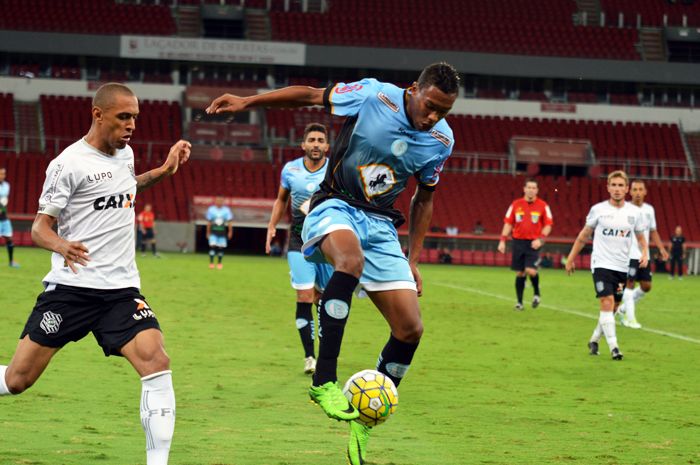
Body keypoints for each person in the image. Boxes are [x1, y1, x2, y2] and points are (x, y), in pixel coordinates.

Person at [207, 61, 459, 465]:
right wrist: (248, 101)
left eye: (442, 112)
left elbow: (424, 197)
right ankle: (324, 380)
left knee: (411, 328)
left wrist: (412, 258)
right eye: (429, 106)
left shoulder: (441, 141)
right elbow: (309, 95)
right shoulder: (374, 95)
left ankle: (365, 421)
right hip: (335, 205)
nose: (433, 117)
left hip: (381, 224)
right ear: (414, 89)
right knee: (349, 261)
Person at [0, 83, 191, 465]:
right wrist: (60, 245)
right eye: (124, 117)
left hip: (120, 291)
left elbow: (126, 187)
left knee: (157, 361)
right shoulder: (67, 163)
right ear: (98, 114)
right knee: (16, 381)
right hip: (72, 289)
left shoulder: (127, 154)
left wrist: (165, 170)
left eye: (135, 116)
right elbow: (39, 227)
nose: (132, 124)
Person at [266, 122, 333, 376]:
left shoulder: (335, 168)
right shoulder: (290, 169)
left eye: (320, 140)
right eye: (311, 140)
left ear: (327, 146)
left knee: (323, 299)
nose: (316, 144)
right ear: (303, 145)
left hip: (328, 242)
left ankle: (326, 354)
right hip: (298, 240)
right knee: (304, 296)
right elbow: (282, 199)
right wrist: (272, 226)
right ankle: (310, 357)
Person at [565, 171, 647, 361]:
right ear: (608, 187)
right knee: (606, 303)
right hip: (601, 264)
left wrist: (644, 253)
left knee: (613, 307)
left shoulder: (634, 213)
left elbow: (641, 238)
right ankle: (614, 347)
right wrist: (571, 258)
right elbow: (584, 235)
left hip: (622, 266)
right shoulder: (598, 210)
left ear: (626, 189)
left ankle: (594, 339)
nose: (617, 189)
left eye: (620, 186)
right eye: (614, 185)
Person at [617, 180, 669, 329]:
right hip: (628, 254)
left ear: (645, 192)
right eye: (635, 190)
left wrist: (660, 248)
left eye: (640, 189)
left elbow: (653, 230)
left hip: (643, 254)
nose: (638, 192)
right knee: (630, 284)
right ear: (630, 192)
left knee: (646, 286)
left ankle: (623, 309)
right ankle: (631, 319)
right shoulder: (625, 209)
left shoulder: (649, 210)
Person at [497, 179, 553, 310]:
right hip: (518, 242)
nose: (531, 190)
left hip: (533, 243)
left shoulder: (543, 206)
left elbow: (548, 224)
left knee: (530, 271)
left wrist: (541, 239)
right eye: (529, 187)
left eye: (533, 188)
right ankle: (519, 302)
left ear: (537, 190)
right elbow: (508, 223)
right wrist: (502, 240)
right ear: (524, 189)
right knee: (520, 273)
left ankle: (537, 294)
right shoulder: (516, 204)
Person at [205, 195, 233, 269]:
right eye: (217, 200)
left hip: (222, 232)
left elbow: (229, 222)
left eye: (220, 201)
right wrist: (207, 232)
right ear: (215, 201)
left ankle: (219, 263)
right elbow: (209, 222)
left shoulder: (226, 210)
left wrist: (230, 231)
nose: (219, 202)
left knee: (221, 247)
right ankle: (211, 263)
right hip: (213, 231)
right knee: (212, 245)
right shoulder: (211, 209)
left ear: (223, 202)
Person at [0, 167, 20, 268]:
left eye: (3, 174)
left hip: (4, 218)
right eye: (0, 174)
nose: (1, 176)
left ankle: (11, 261)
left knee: (9, 239)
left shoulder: (7, 186)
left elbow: (4, 201)